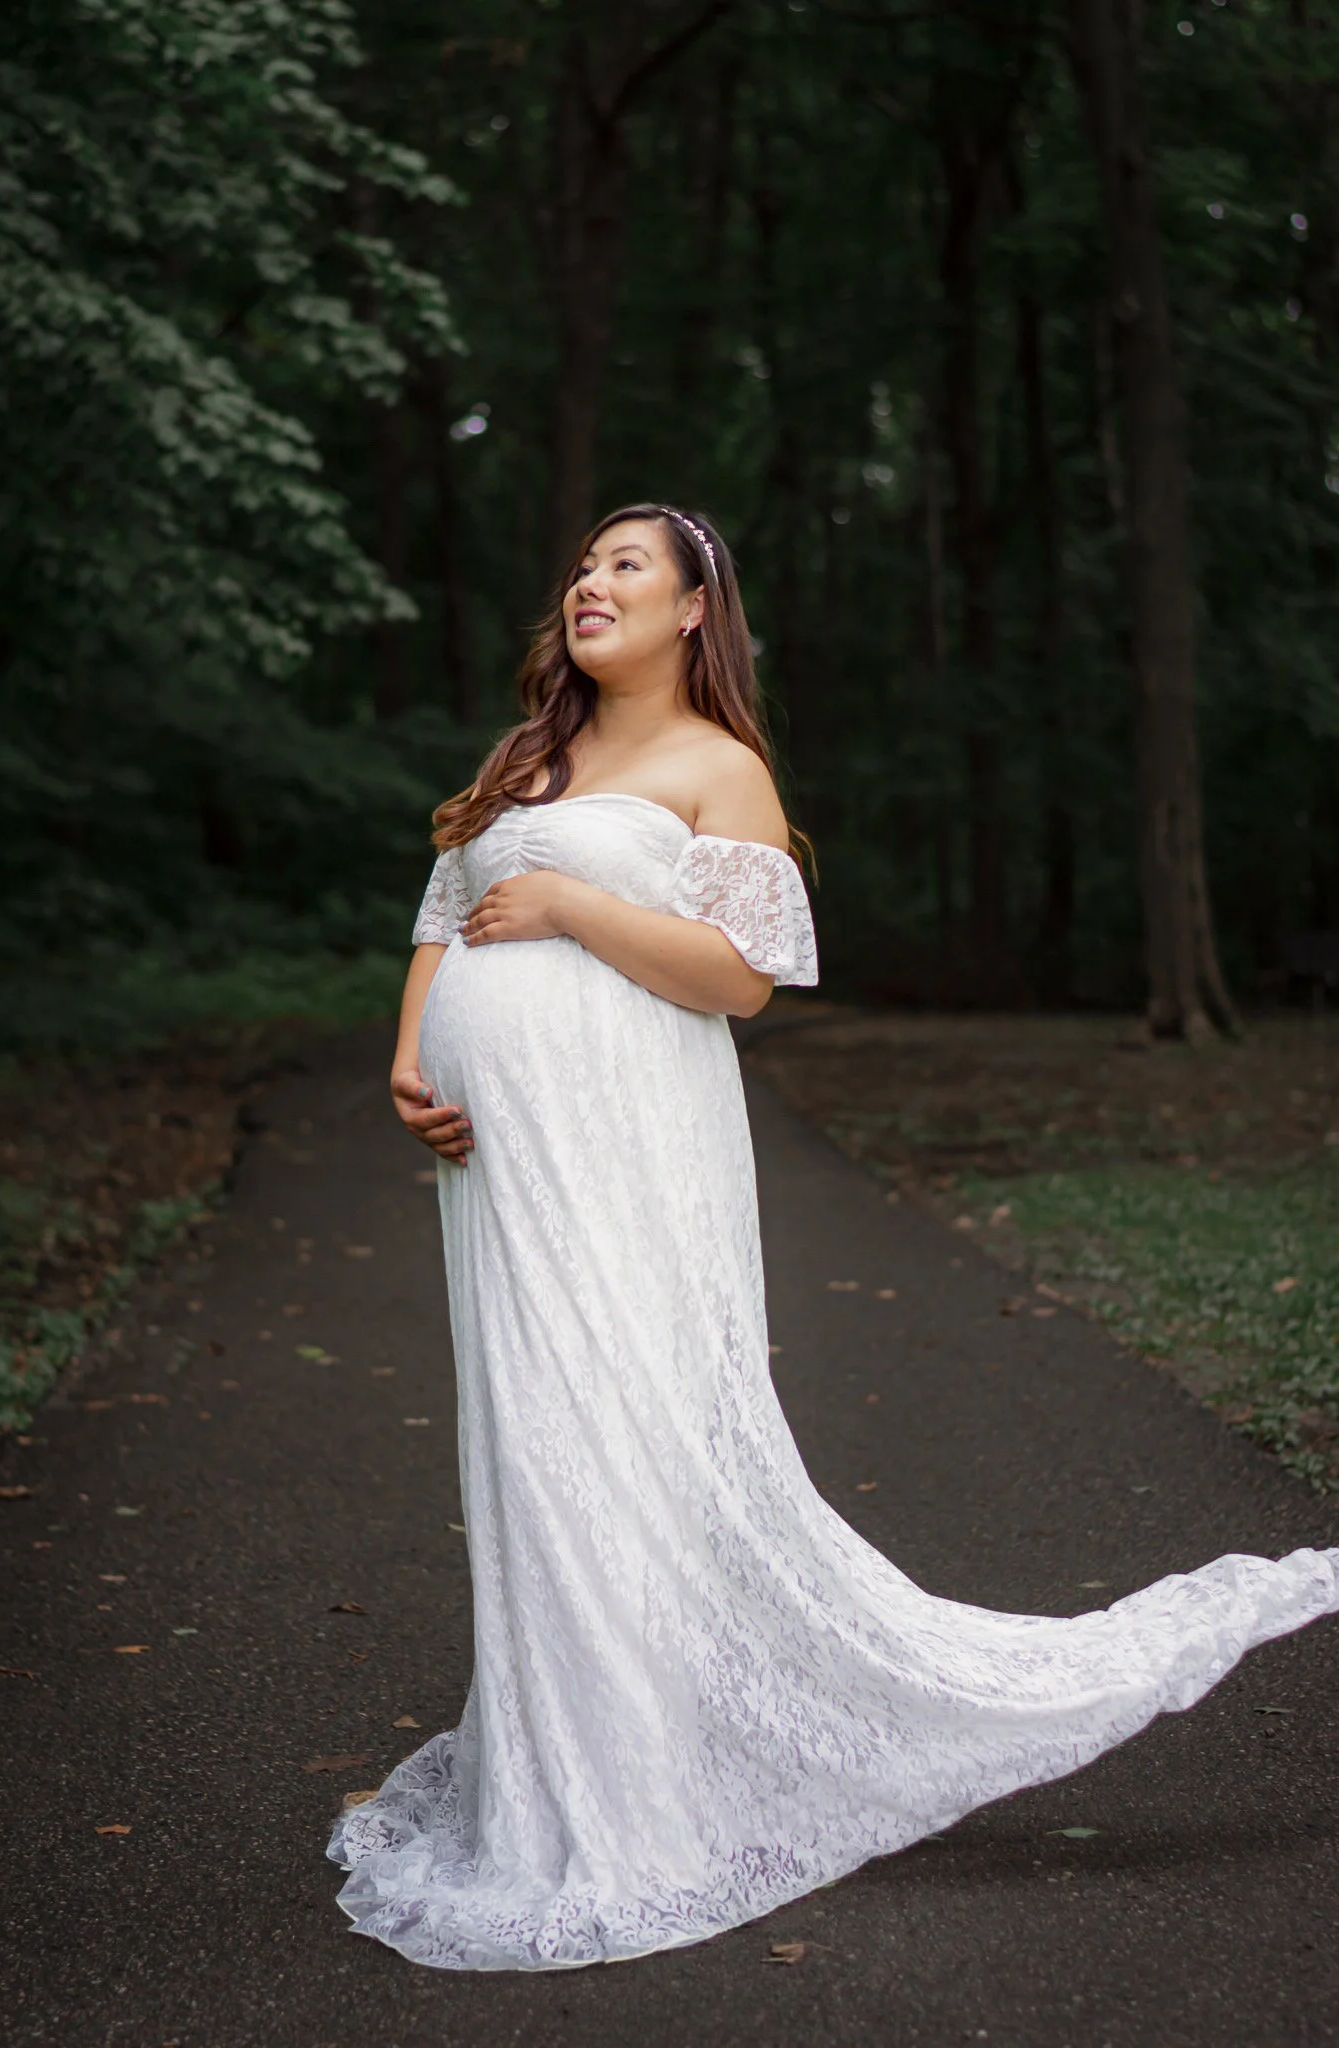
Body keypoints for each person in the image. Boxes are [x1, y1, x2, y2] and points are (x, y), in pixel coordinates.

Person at [327, 502, 1338, 1973]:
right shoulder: (526, 762)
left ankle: (640, 1796)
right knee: (530, 1443)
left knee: (615, 1438)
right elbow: (444, 910)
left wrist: (570, 904)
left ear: (691, 610)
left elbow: (744, 978)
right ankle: (563, 1770)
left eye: (627, 564)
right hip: (501, 1171)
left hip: (627, 1159)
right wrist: (413, 1058)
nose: (589, 582)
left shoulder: (719, 766)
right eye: (584, 564)